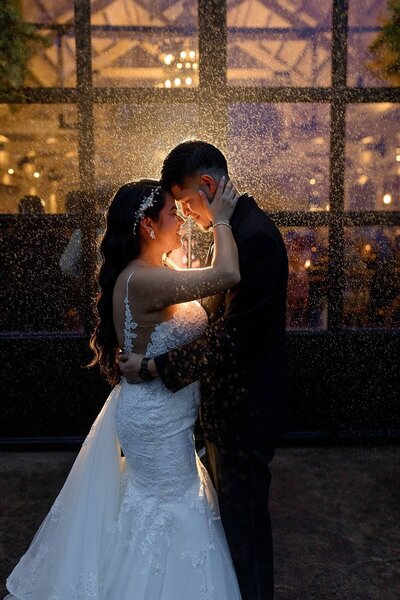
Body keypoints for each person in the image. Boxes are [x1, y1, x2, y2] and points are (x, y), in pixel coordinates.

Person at [4, 179, 242, 599]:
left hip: (161, 415)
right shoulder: (143, 281)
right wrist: (221, 219)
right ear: (148, 226)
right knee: (170, 510)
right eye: (173, 212)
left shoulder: (157, 272)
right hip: (156, 421)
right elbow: (227, 274)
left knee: (156, 509)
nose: (182, 218)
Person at [119, 140, 289, 600]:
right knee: (230, 533)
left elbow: (230, 341)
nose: (187, 215)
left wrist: (155, 365)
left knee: (245, 535)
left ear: (209, 185)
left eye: (187, 203)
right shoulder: (236, 231)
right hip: (224, 413)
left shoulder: (254, 239)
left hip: (243, 416)